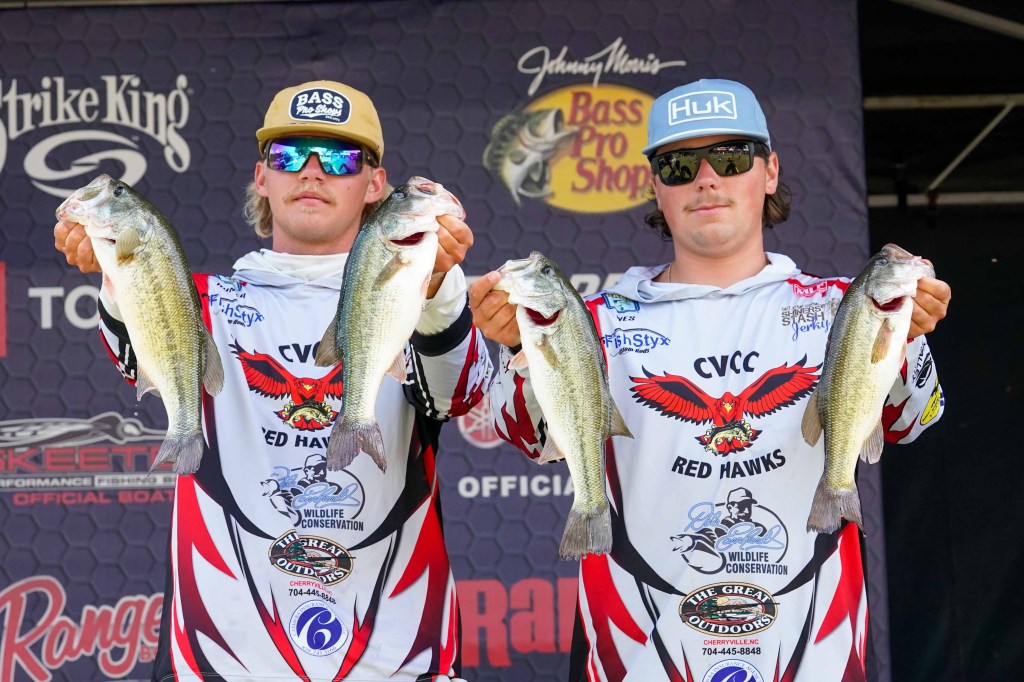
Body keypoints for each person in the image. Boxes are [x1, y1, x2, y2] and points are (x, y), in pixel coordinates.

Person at [469, 78, 951, 681]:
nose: (705, 179)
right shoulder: (593, 321)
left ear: (769, 171)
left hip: (814, 655)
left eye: (730, 158)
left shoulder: (840, 306)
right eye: (678, 165)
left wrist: (908, 335)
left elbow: (911, 419)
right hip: (637, 655)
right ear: (654, 185)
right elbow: (529, 436)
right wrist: (520, 346)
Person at [54, 80, 490, 681]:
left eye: (339, 158)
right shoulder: (197, 299)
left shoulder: (421, 293)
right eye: (289, 155)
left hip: (395, 660)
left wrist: (438, 288)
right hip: (222, 660)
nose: (312, 172)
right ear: (262, 177)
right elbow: (132, 354)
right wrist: (112, 266)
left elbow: (461, 393)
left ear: (375, 184)